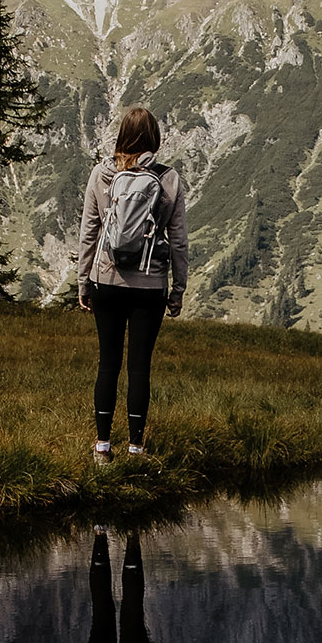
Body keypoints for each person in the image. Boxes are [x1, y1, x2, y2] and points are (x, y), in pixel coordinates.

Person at [77, 106, 188, 460]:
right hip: (149, 286)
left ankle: (102, 447)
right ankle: (137, 447)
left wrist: (83, 283)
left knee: (108, 362)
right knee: (140, 365)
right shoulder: (168, 179)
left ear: (121, 136)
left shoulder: (101, 174)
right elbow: (180, 241)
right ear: (154, 139)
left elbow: (89, 233)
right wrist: (178, 290)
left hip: (106, 281)